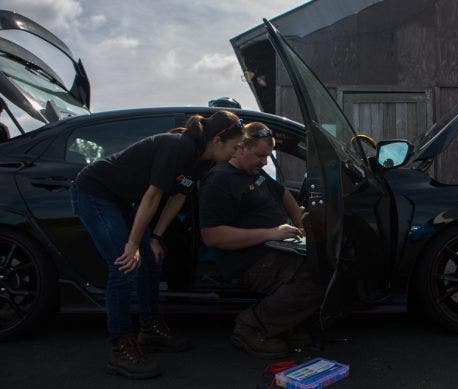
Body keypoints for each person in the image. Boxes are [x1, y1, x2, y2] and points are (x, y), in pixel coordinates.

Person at [70, 110, 244, 379]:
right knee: (125, 265)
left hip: (122, 201)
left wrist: (155, 238)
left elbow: (178, 198)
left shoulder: (203, 160)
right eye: (235, 147)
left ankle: (149, 329)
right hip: (95, 193)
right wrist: (131, 244)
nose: (236, 154)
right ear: (218, 141)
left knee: (150, 262)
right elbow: (152, 196)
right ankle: (120, 346)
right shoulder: (179, 147)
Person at [200, 122, 322, 359]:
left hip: (274, 246)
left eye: (267, 156)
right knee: (315, 274)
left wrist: (301, 227)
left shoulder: (253, 172)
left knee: (323, 261)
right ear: (241, 148)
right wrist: (271, 233)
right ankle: (251, 327)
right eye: (260, 155)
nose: (265, 162)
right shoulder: (219, 180)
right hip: (248, 259)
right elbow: (212, 235)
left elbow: (283, 193)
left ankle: (281, 325)